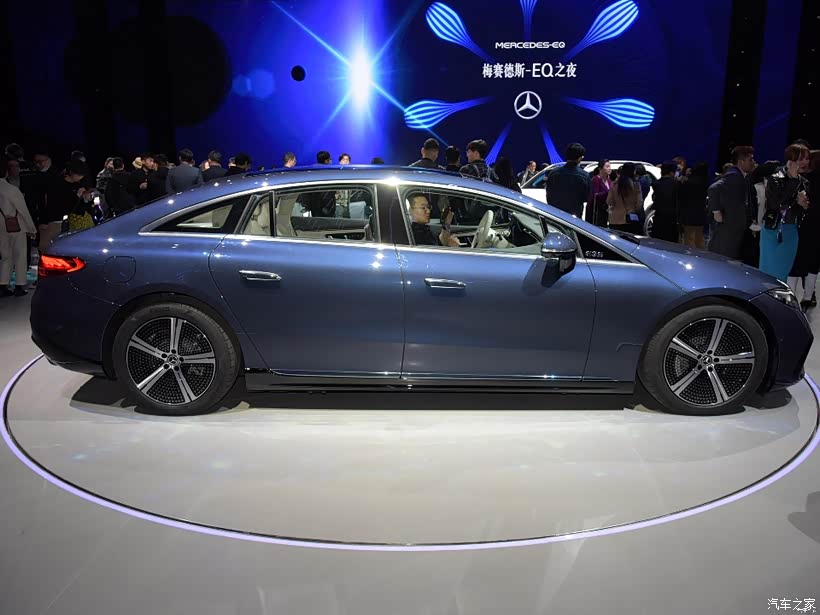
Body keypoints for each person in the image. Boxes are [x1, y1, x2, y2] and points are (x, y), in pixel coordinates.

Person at [759, 144, 811, 283]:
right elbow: (776, 204)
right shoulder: (775, 178)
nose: (805, 162)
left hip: (791, 230)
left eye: (807, 159)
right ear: (791, 160)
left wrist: (805, 205)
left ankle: (778, 295)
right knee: (767, 270)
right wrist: (793, 180)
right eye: (801, 159)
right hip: (772, 228)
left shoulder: (804, 182)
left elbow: (802, 210)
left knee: (782, 272)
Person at [707, 146, 755, 259]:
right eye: (750, 160)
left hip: (732, 229)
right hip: (728, 230)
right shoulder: (734, 176)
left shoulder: (740, 176)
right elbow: (713, 188)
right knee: (722, 261)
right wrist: (716, 212)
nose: (753, 162)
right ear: (741, 161)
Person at [0, 161, 37, 296]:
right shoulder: (11, 189)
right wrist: (32, 228)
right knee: (20, 255)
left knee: (5, 256)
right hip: (16, 225)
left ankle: (3, 285)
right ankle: (20, 285)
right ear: (6, 172)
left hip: (1, 226)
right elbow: (23, 210)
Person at [40, 160, 88, 251]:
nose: (80, 177)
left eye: (82, 175)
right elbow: (55, 203)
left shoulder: (78, 185)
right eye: (78, 175)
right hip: (54, 220)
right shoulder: (57, 183)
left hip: (71, 222)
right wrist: (76, 196)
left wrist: (86, 199)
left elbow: (78, 207)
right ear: (71, 172)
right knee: (49, 248)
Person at [546, 143, 590, 217]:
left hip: (555, 214)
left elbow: (549, 195)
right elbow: (586, 197)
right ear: (579, 158)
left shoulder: (553, 173)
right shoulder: (585, 176)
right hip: (574, 216)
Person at [678, 162, 709, 248]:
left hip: (688, 214)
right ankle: (700, 255)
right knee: (699, 238)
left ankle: (690, 255)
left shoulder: (687, 183)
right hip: (700, 214)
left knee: (689, 238)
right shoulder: (705, 183)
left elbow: (681, 197)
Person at [607, 162, 642, 234]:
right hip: (630, 219)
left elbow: (609, 201)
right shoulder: (636, 185)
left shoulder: (614, 184)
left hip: (615, 220)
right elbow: (639, 203)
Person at [650, 162, 679, 242]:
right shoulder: (676, 184)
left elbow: (654, 198)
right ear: (671, 173)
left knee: (657, 241)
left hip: (658, 217)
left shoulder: (656, 183)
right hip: (672, 218)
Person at [586, 159, 612, 226]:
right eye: (607, 166)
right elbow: (595, 195)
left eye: (610, 166)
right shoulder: (595, 180)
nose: (610, 168)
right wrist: (608, 192)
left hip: (605, 210)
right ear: (600, 169)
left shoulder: (609, 180)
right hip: (596, 211)